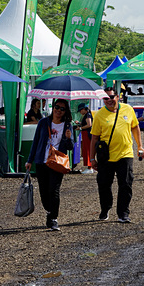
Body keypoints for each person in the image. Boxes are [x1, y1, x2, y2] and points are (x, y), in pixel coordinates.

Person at [90, 87, 144, 223]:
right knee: (104, 185)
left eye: (112, 97)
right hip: (105, 156)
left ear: (118, 97)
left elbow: (135, 127)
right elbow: (94, 138)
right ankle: (105, 208)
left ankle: (123, 213)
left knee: (126, 183)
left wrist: (140, 146)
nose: (109, 100)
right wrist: (92, 158)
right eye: (106, 98)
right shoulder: (99, 115)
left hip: (125, 153)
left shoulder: (128, 109)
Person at [25, 99, 74, 231]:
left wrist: (69, 138)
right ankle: (49, 211)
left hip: (57, 162)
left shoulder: (67, 125)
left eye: (62, 109)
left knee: (54, 190)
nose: (58, 110)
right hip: (42, 161)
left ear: (65, 112)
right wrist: (29, 160)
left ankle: (54, 218)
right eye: (57, 107)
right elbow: (36, 142)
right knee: (44, 190)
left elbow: (70, 147)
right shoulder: (43, 122)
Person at [76, 103, 94, 174]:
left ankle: (89, 167)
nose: (80, 112)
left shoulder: (88, 115)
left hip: (87, 134)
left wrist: (80, 128)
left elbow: (89, 124)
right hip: (86, 134)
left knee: (87, 150)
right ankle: (90, 166)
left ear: (84, 109)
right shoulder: (87, 115)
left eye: (80, 110)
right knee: (87, 149)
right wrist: (80, 123)